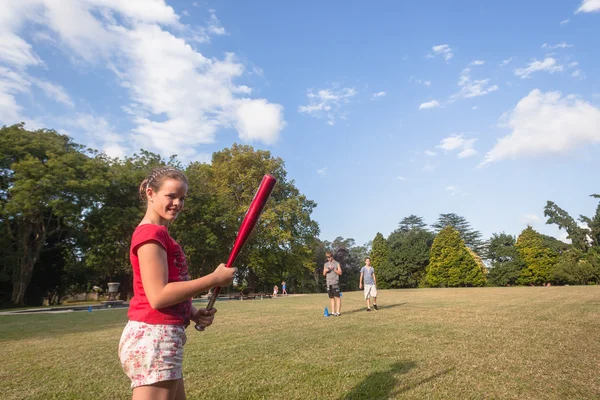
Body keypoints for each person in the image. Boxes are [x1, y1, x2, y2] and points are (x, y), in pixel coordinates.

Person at [118, 166, 236, 400]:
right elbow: (158, 296)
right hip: (154, 336)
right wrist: (214, 279)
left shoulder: (161, 235)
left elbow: (164, 290)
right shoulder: (150, 234)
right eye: (170, 196)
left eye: (181, 198)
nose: (177, 203)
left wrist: (191, 312)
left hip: (163, 334)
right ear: (150, 193)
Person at [323, 251, 342, 316]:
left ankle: (338, 312)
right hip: (329, 283)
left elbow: (340, 273)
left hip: (335, 283)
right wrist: (326, 270)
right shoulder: (326, 264)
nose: (328, 258)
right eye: (327, 257)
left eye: (329, 257)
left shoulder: (337, 263)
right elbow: (323, 274)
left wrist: (334, 269)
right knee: (331, 297)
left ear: (332, 256)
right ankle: (333, 312)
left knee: (337, 297)